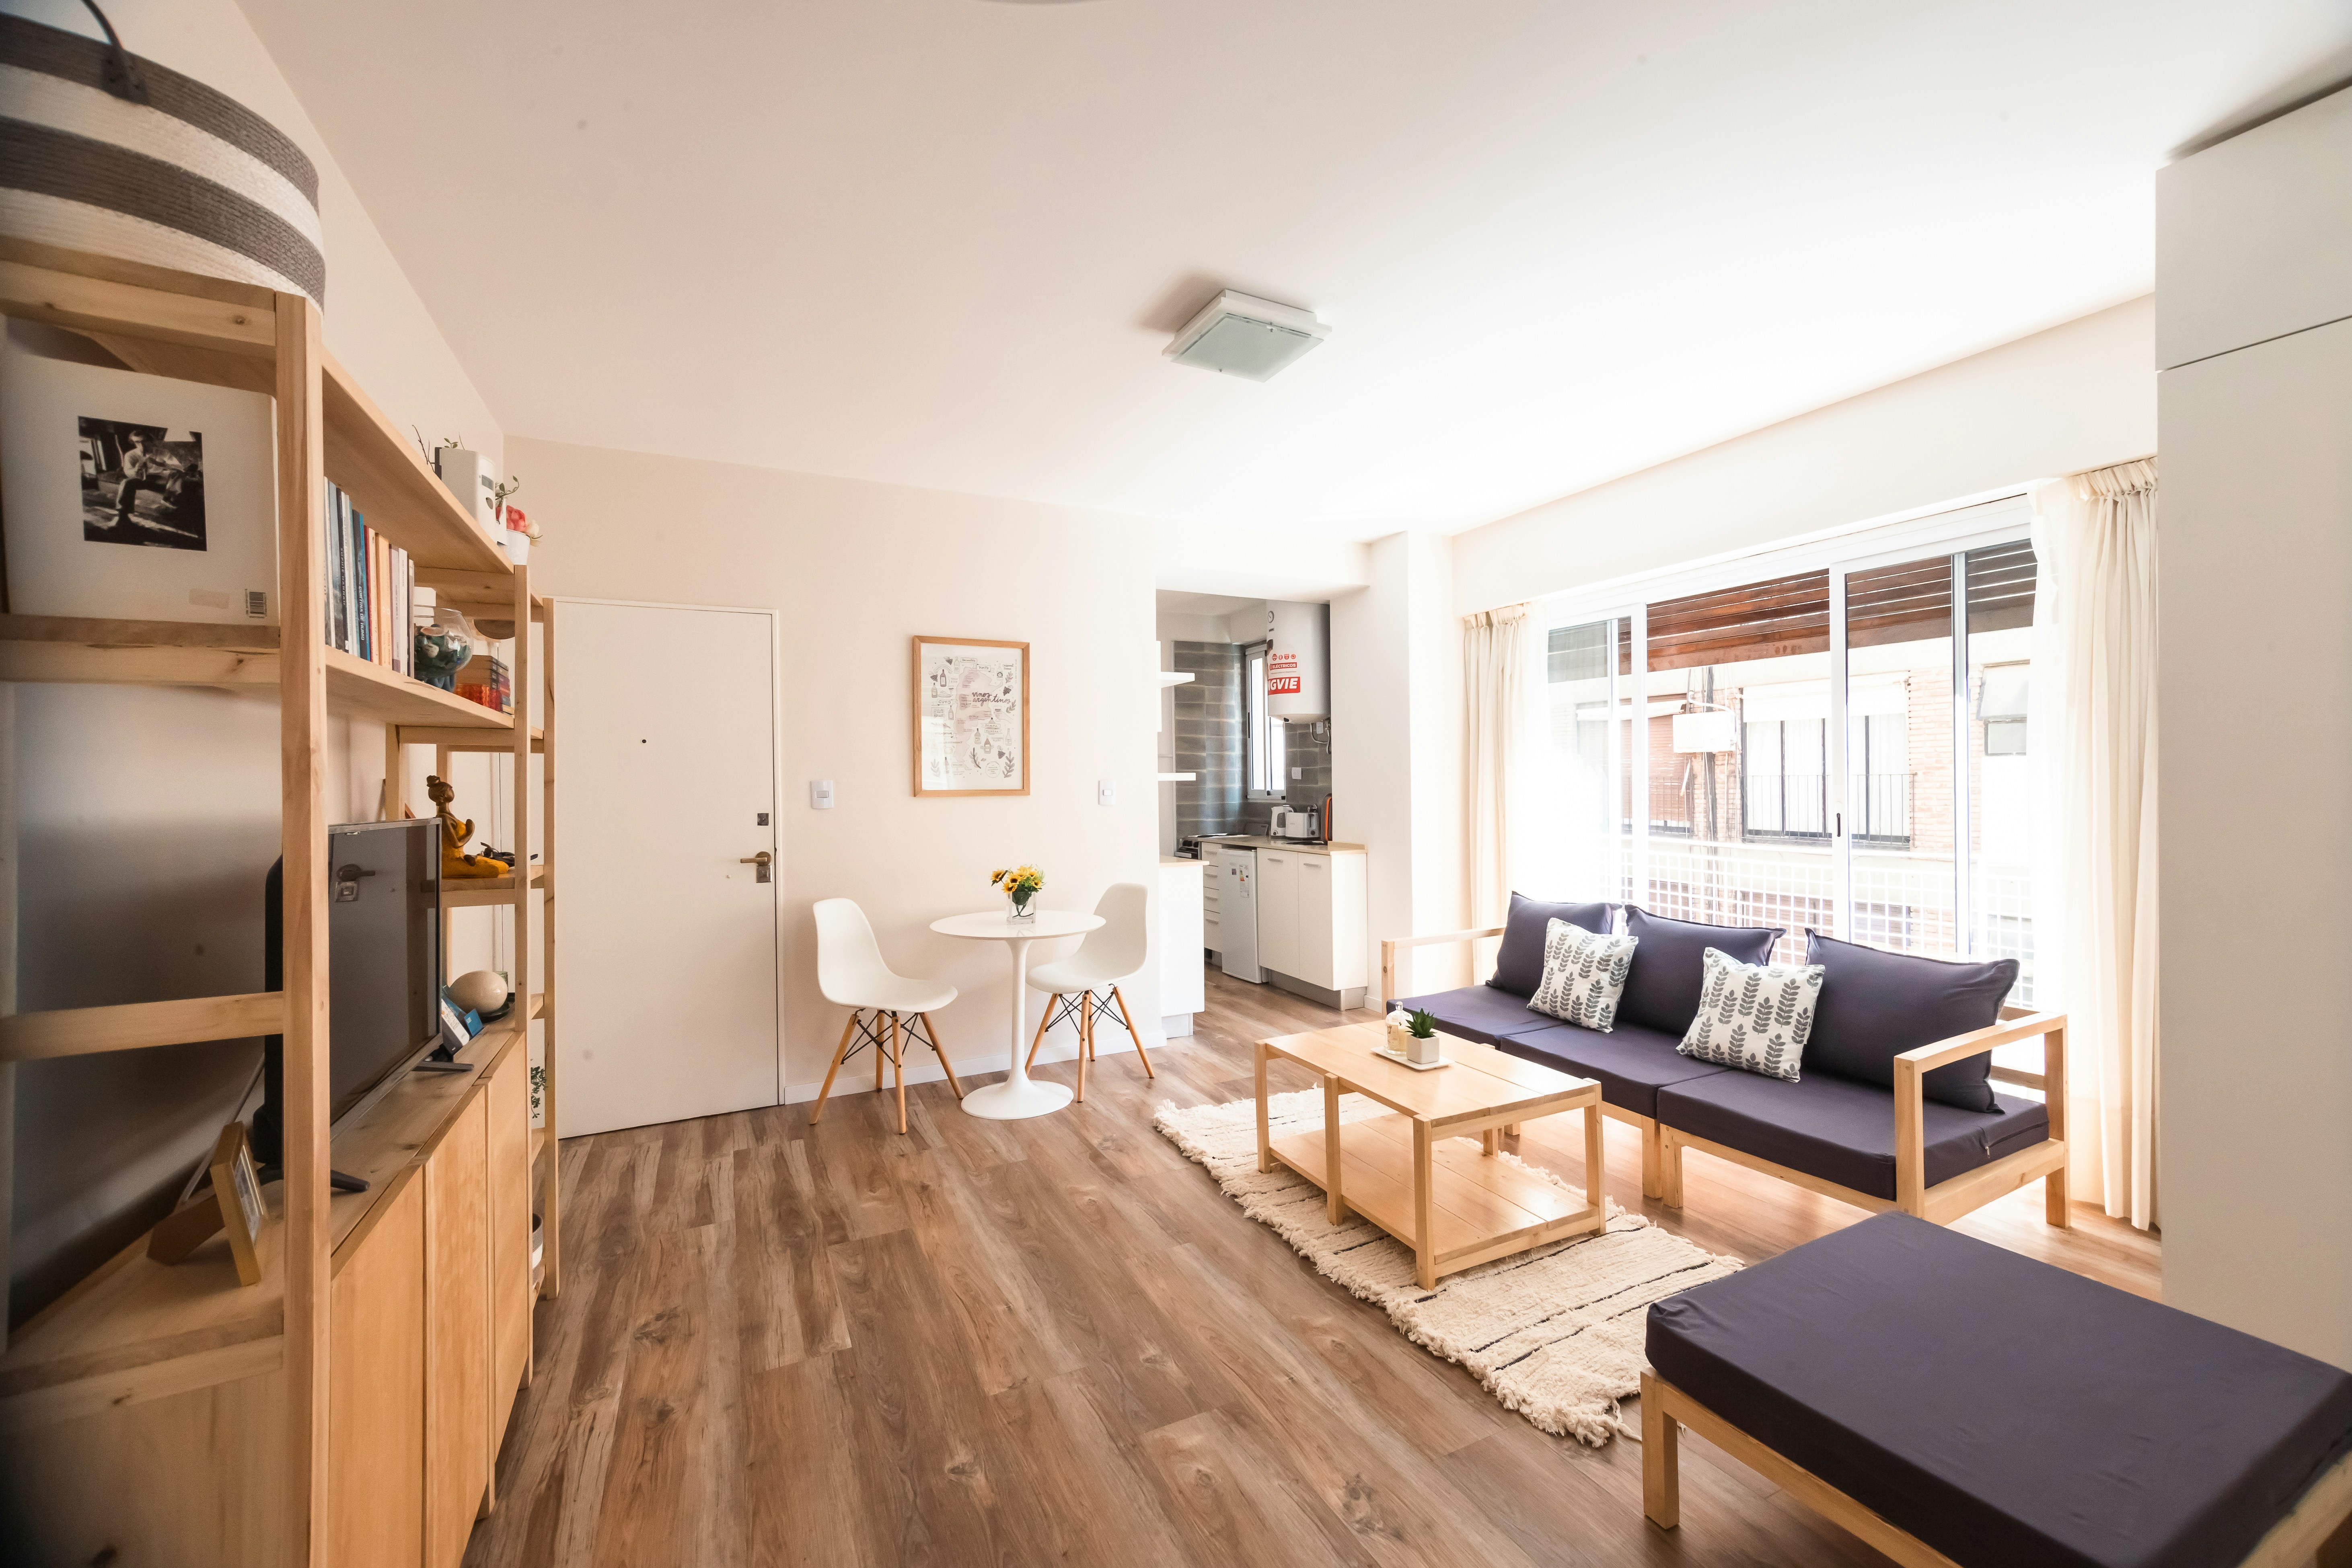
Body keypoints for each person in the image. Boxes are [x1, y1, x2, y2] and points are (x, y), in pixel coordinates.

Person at [110, 430, 172, 528]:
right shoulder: (131, 455)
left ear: (151, 440)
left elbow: (177, 467)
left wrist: (159, 464)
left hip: (162, 479)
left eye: (144, 441)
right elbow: (128, 472)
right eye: (137, 442)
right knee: (127, 482)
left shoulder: (163, 453)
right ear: (134, 442)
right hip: (144, 480)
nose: (141, 445)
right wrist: (136, 471)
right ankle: (122, 516)